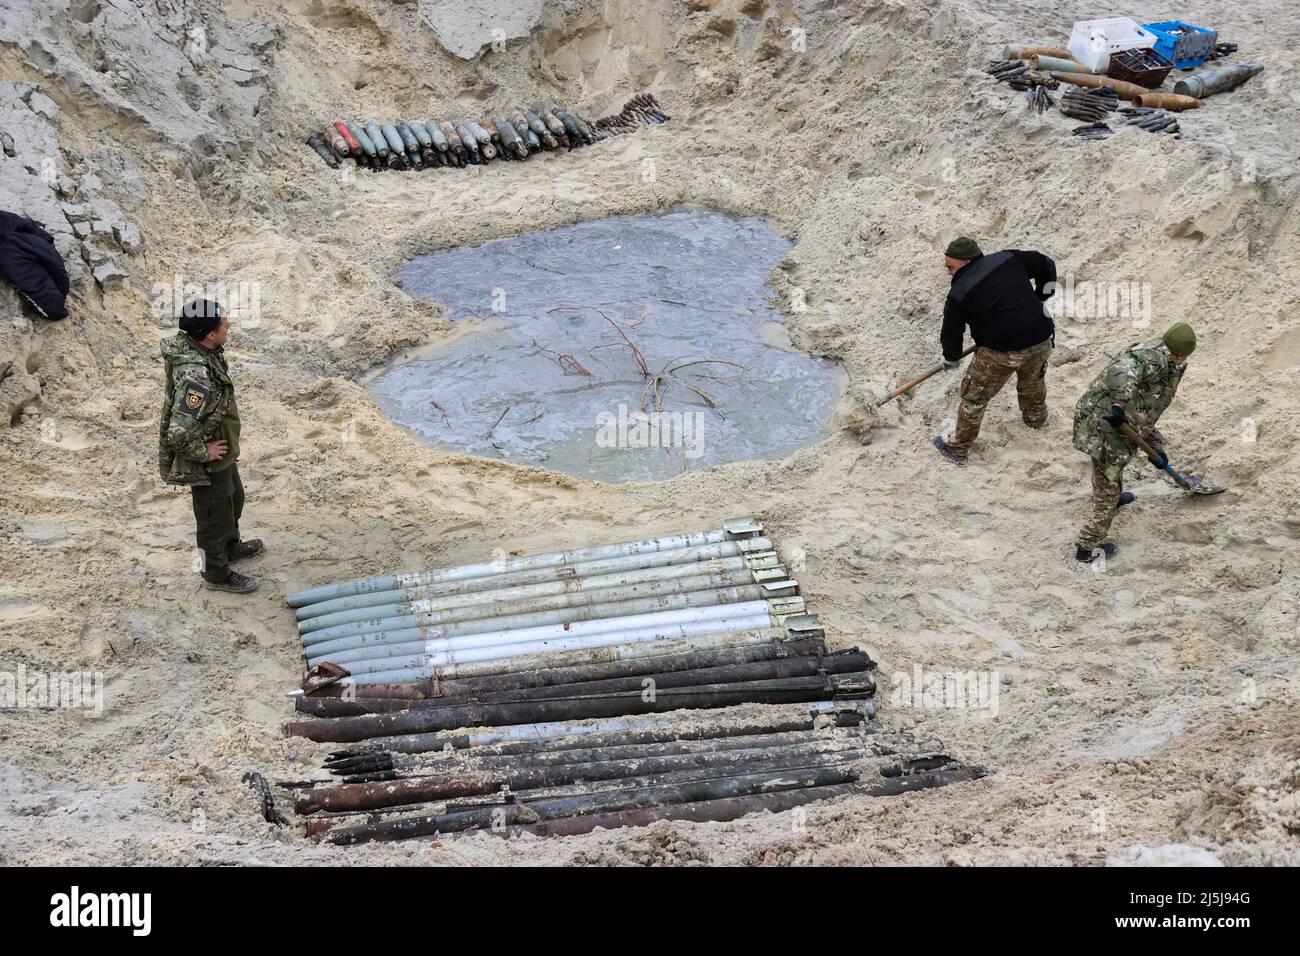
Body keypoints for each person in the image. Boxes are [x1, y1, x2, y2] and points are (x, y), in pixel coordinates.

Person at [159, 298, 262, 592]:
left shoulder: (206, 350)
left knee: (233, 501)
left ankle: (230, 548)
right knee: (212, 519)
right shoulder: (197, 376)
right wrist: (205, 453)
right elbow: (178, 433)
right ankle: (216, 573)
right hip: (208, 460)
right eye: (222, 323)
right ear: (209, 334)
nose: (228, 324)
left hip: (223, 452)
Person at [1071, 322, 1196, 563]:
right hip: (1105, 424)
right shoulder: (1152, 359)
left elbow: (1145, 408)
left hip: (1118, 422)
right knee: (1108, 475)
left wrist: (1155, 447)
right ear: (1179, 353)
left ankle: (1113, 499)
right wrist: (1118, 404)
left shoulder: (1164, 358)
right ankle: (1087, 547)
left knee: (1108, 473)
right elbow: (1124, 367)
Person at [932, 237, 1057, 464]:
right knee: (1033, 380)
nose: (948, 273)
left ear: (965, 261)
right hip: (1040, 338)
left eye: (950, 267)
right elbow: (1046, 264)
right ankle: (1035, 419)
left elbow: (951, 331)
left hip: (1001, 353)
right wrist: (1042, 296)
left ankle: (957, 449)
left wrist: (951, 358)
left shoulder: (959, 293)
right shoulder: (1008, 258)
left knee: (974, 397)